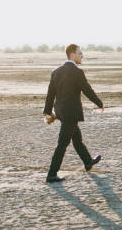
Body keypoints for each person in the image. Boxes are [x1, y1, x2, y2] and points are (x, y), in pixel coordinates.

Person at [43, 44, 104, 183]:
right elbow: (87, 90)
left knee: (76, 139)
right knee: (62, 143)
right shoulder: (77, 72)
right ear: (72, 54)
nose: (82, 55)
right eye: (80, 53)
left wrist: (47, 111)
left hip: (61, 112)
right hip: (71, 113)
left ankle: (88, 162)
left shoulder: (56, 71)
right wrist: (99, 103)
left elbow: (50, 94)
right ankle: (52, 174)